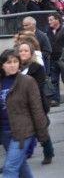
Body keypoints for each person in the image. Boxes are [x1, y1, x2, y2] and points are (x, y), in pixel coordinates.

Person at [0, 49, 49, 177]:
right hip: (4, 132)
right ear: (2, 65)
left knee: (10, 168)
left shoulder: (27, 81)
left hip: (23, 132)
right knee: (21, 166)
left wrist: (42, 135)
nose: (12, 65)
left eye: (15, 61)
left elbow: (36, 109)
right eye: (8, 62)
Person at [17, 41, 55, 164]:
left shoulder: (37, 67)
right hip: (20, 106)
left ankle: (48, 152)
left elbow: (38, 87)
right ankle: (23, 154)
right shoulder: (15, 67)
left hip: (36, 104)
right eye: (21, 50)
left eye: (26, 50)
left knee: (41, 130)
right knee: (22, 131)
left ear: (31, 53)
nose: (23, 53)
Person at [47, 12, 64, 107]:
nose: (49, 22)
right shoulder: (48, 31)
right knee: (54, 80)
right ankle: (55, 99)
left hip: (63, 60)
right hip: (52, 59)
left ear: (57, 19)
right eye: (49, 20)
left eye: (51, 20)